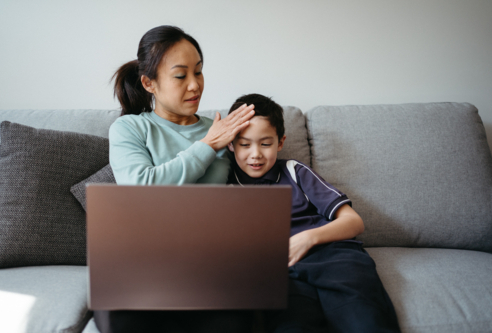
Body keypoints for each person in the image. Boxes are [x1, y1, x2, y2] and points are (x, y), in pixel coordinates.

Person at [94, 26, 255, 333]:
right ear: (148, 83)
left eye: (199, 72)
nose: (195, 85)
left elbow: (251, 192)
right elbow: (141, 190)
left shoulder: (222, 129)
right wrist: (207, 146)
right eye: (181, 76)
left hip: (208, 267)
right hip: (139, 266)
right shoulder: (130, 129)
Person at [226, 94, 401, 333]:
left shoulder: (294, 171)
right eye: (245, 144)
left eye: (265, 144)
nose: (255, 154)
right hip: (284, 271)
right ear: (230, 143)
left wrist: (308, 238)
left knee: (364, 322)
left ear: (280, 142)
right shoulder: (225, 184)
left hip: (334, 257)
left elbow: (354, 222)